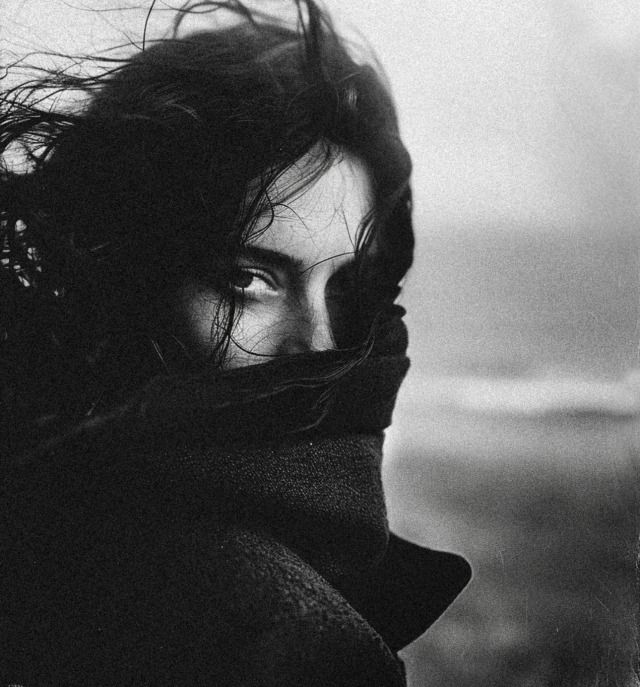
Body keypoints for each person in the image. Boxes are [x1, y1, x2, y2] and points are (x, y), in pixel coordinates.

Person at [0, 1, 471, 684]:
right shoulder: (276, 639)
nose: (316, 344)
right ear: (126, 272)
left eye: (345, 289)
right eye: (249, 280)